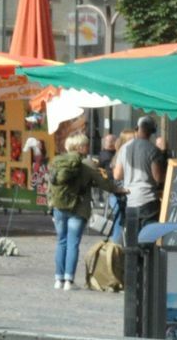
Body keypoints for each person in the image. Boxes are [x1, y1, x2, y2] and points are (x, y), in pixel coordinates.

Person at [47, 132, 122, 291]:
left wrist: (51, 207)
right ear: (80, 147)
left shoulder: (58, 161)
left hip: (59, 207)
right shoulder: (88, 164)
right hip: (79, 208)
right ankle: (69, 281)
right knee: (73, 243)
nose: (88, 147)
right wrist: (118, 189)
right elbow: (104, 184)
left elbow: (51, 186)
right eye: (86, 144)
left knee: (61, 241)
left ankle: (58, 279)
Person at [112, 115, 165, 248]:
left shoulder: (125, 148)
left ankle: (133, 261)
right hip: (148, 200)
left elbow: (117, 175)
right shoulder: (153, 150)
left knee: (132, 242)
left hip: (130, 199)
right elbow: (158, 177)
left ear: (137, 128)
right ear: (152, 131)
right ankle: (147, 261)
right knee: (148, 241)